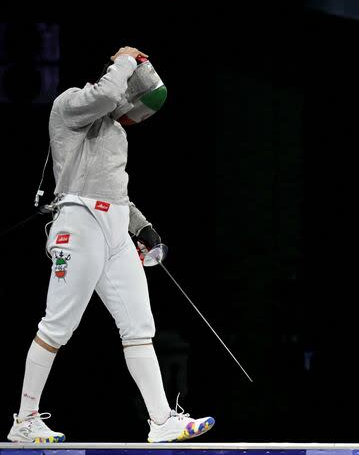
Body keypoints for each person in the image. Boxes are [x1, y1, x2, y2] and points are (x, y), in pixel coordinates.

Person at [8, 46, 215, 443]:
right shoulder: (69, 103)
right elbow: (104, 97)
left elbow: (115, 190)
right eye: (131, 105)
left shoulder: (116, 132)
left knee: (139, 325)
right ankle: (24, 419)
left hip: (115, 229)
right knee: (58, 325)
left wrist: (144, 227)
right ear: (117, 82)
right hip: (79, 223)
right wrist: (125, 59)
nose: (131, 117)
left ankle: (161, 421)